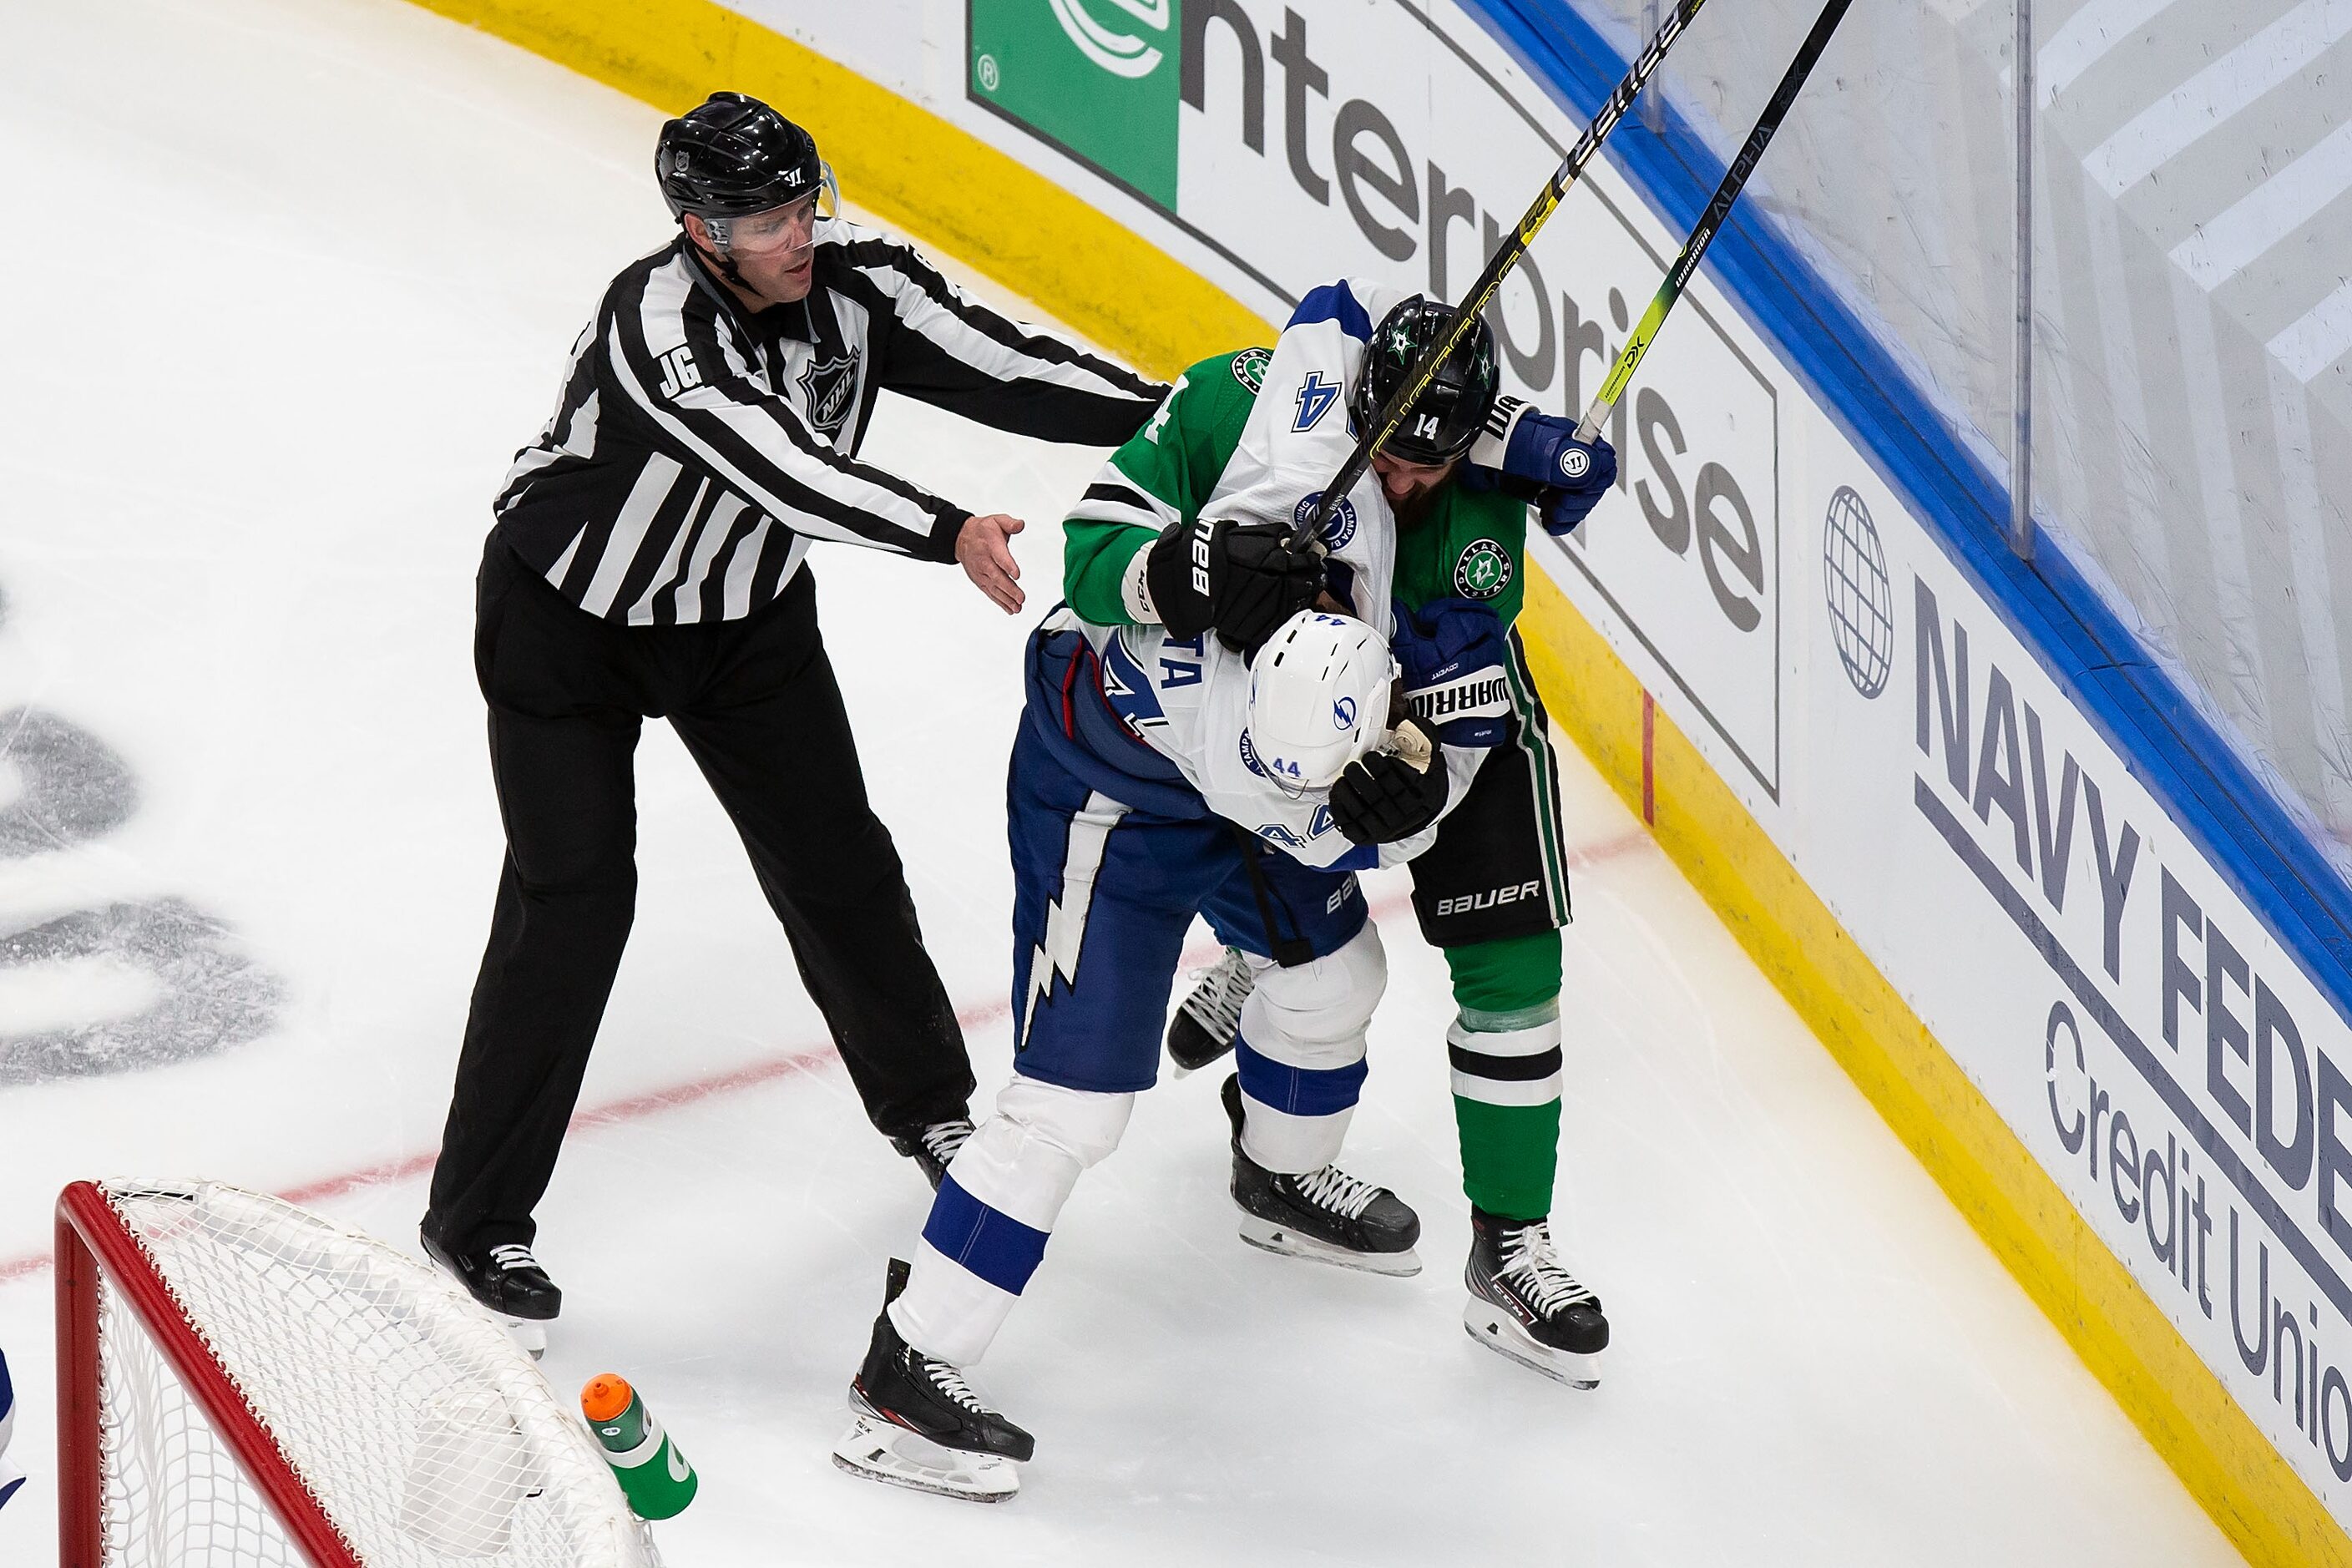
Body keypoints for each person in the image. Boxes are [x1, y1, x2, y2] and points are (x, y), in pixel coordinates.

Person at [419, 92, 1165, 1347]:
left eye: (801, 202)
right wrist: (948, 529)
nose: (794, 232)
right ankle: (476, 1213)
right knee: (575, 900)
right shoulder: (653, 322)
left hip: (744, 624)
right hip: (568, 627)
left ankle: (930, 1109)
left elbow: (1011, 367)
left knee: (840, 867)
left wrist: (1189, 413)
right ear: (700, 230)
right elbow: (781, 466)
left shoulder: (860, 283)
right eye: (762, 218)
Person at [1058, 279, 1620, 1388]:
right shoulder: (1246, 406)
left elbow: (1442, 692)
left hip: (1430, 706)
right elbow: (1085, 559)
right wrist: (1183, 573)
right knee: (1309, 931)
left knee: (1512, 965)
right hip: (1253, 714)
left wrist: (1420, 771)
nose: (1407, 485)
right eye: (1391, 456)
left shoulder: (1477, 517)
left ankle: (1508, 1247)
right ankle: (1254, 969)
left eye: (1435, 464)